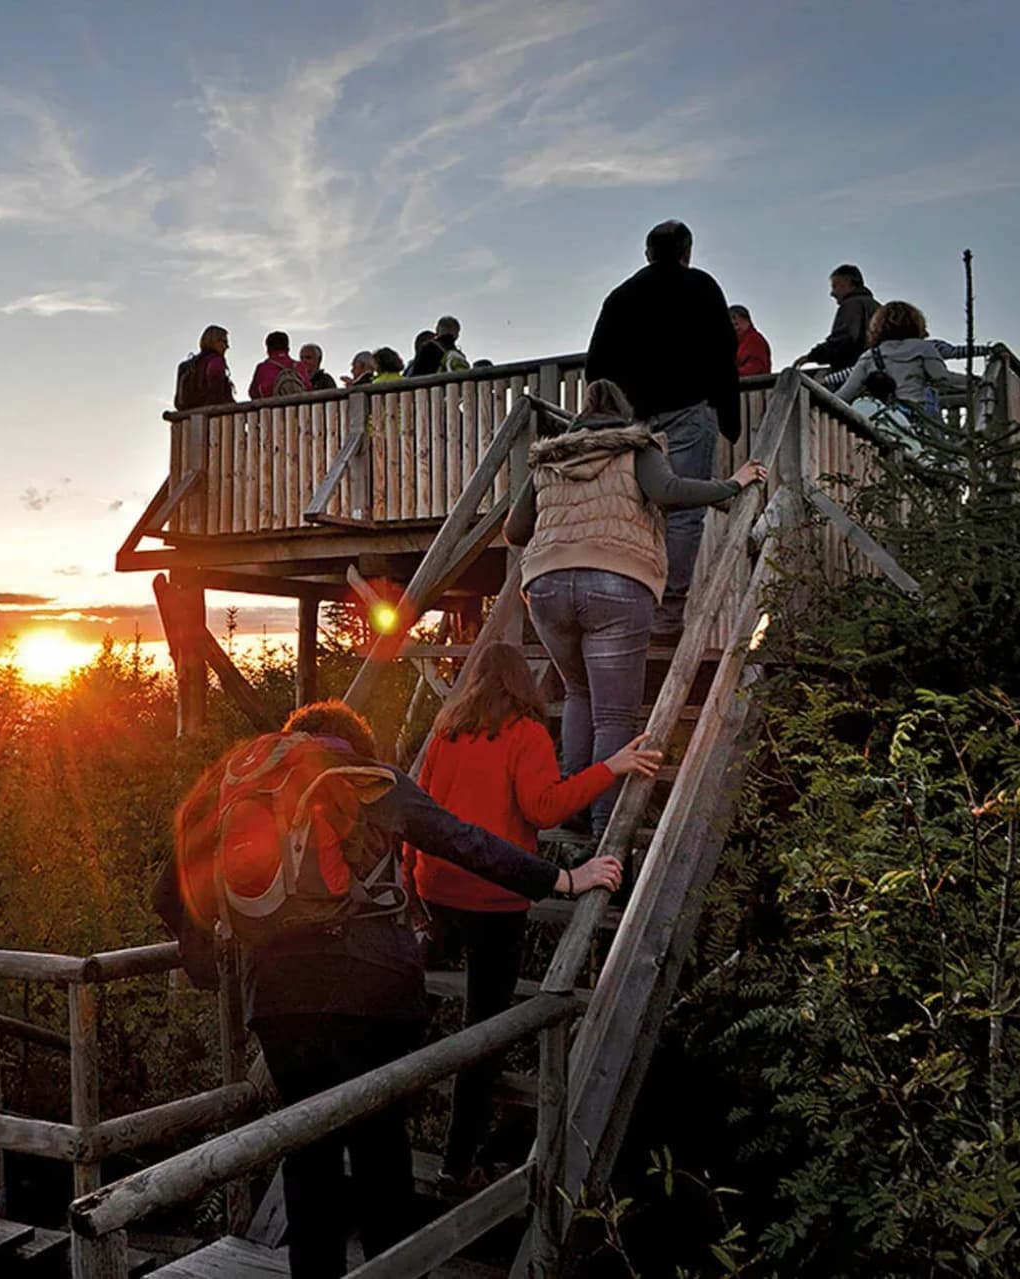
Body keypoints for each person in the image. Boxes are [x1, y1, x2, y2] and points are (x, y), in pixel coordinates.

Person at [155, 700, 604, 1279]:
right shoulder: (368, 779)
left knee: (307, 1153)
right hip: (375, 992)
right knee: (381, 1151)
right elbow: (461, 840)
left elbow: (167, 891)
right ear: (353, 744)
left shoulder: (240, 783)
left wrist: (208, 968)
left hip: (278, 998)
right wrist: (562, 878)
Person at [406, 643, 659, 1193]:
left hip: (438, 888)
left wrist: (412, 890)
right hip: (494, 896)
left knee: (418, 1006)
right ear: (525, 683)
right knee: (484, 1030)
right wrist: (609, 768)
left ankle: (388, 1121)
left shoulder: (446, 733)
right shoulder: (526, 734)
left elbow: (416, 814)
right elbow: (543, 809)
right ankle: (457, 1165)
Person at [504, 379, 765, 837]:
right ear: (624, 415)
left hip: (546, 586)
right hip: (616, 582)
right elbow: (669, 491)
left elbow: (514, 531)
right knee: (613, 715)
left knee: (578, 693)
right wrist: (731, 483)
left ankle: (573, 808)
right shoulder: (635, 447)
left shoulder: (549, 458)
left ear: (581, 418)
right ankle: (605, 825)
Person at [583, 220, 741, 638]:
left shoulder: (621, 296)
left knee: (632, 507)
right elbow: (724, 351)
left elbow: (596, 365)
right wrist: (729, 416)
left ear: (647, 253)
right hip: (689, 408)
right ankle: (667, 613)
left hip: (634, 418)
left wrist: (612, 414)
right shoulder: (702, 287)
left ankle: (630, 602)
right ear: (687, 251)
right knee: (684, 510)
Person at [836, 301, 970, 455]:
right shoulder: (924, 349)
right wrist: (977, 382)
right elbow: (944, 379)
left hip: (887, 421)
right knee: (927, 458)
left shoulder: (871, 356)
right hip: (921, 422)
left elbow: (844, 395)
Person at [801, 265, 879, 371]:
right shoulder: (877, 307)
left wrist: (812, 356)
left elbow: (842, 341)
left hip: (855, 373)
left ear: (849, 283)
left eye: (835, 286)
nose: (832, 293)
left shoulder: (851, 305)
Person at [175, 325, 235, 411]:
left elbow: (178, 401)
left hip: (187, 416)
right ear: (214, 341)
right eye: (224, 342)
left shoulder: (190, 365)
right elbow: (218, 394)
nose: (227, 346)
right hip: (213, 415)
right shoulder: (216, 360)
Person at [250, 331, 306, 399]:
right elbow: (309, 388)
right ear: (288, 348)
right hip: (299, 405)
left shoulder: (262, 368)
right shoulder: (299, 366)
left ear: (268, 349)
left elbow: (253, 393)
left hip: (271, 405)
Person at [731, 305, 771, 376]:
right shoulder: (738, 344)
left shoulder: (754, 340)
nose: (735, 328)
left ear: (748, 322)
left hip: (753, 382)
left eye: (736, 324)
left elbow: (755, 368)